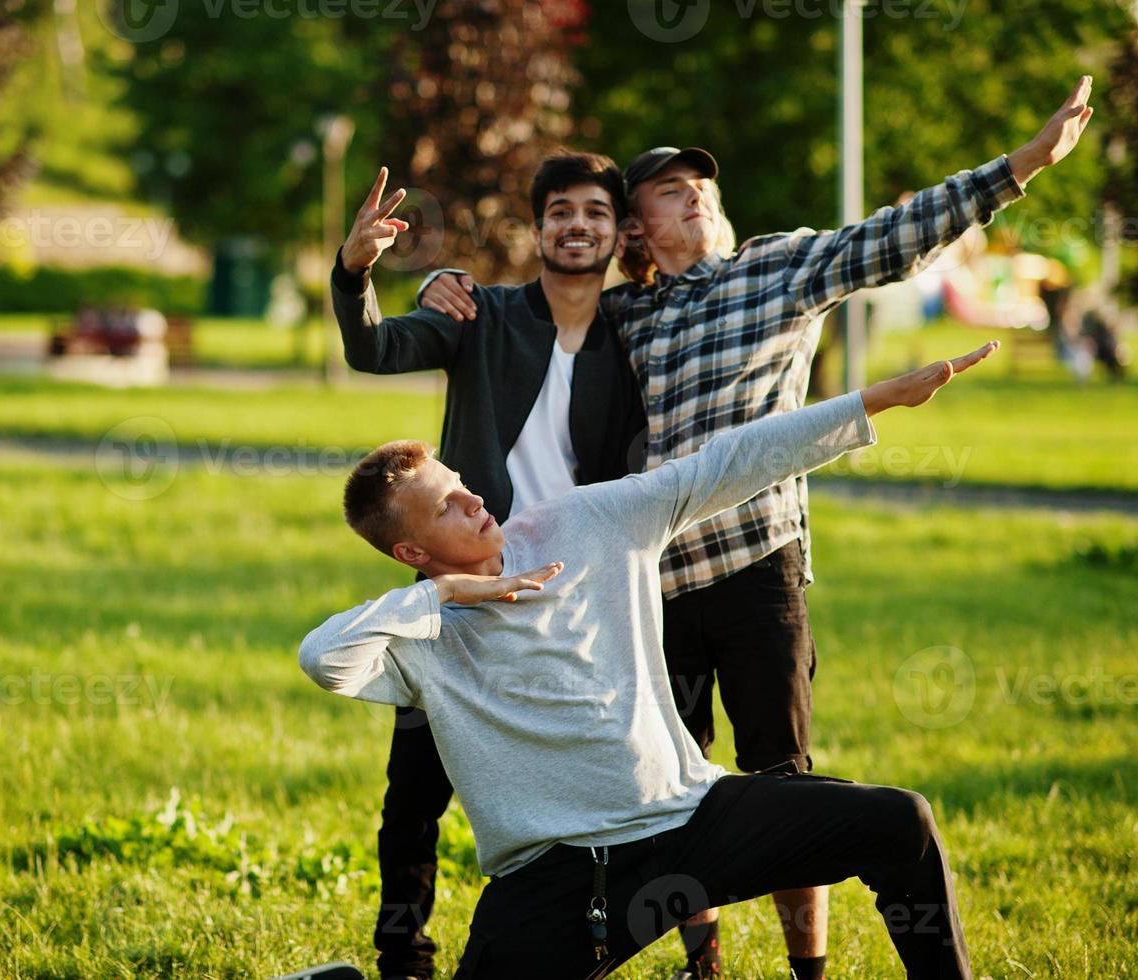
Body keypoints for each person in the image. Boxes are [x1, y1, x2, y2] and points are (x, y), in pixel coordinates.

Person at [419, 77, 1094, 979]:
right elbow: (528, 307)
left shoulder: (777, 267)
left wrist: (1019, 168)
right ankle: (705, 964)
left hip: (753, 568)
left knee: (780, 773)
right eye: (666, 190)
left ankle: (805, 967)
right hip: (648, 584)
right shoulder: (626, 312)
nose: (692, 194)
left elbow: (888, 237)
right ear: (636, 234)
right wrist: (439, 281)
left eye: (700, 186)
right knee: (673, 787)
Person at [300, 341, 1000, 979]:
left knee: (899, 823)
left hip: (690, 819)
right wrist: (450, 592)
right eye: (447, 507)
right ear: (411, 554)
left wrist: (873, 400)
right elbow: (322, 659)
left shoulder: (583, 522)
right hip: (558, 880)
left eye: (460, 484)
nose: (475, 499)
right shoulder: (420, 638)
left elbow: (726, 462)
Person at [332, 152, 648, 980]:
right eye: (559, 212)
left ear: (618, 230)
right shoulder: (481, 313)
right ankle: (403, 949)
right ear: (537, 227)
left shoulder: (637, 329)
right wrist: (356, 268)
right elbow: (373, 350)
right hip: (462, 584)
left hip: (577, 590)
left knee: (610, 774)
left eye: (594, 211)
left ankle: (658, 945)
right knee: (416, 788)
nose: (576, 225)